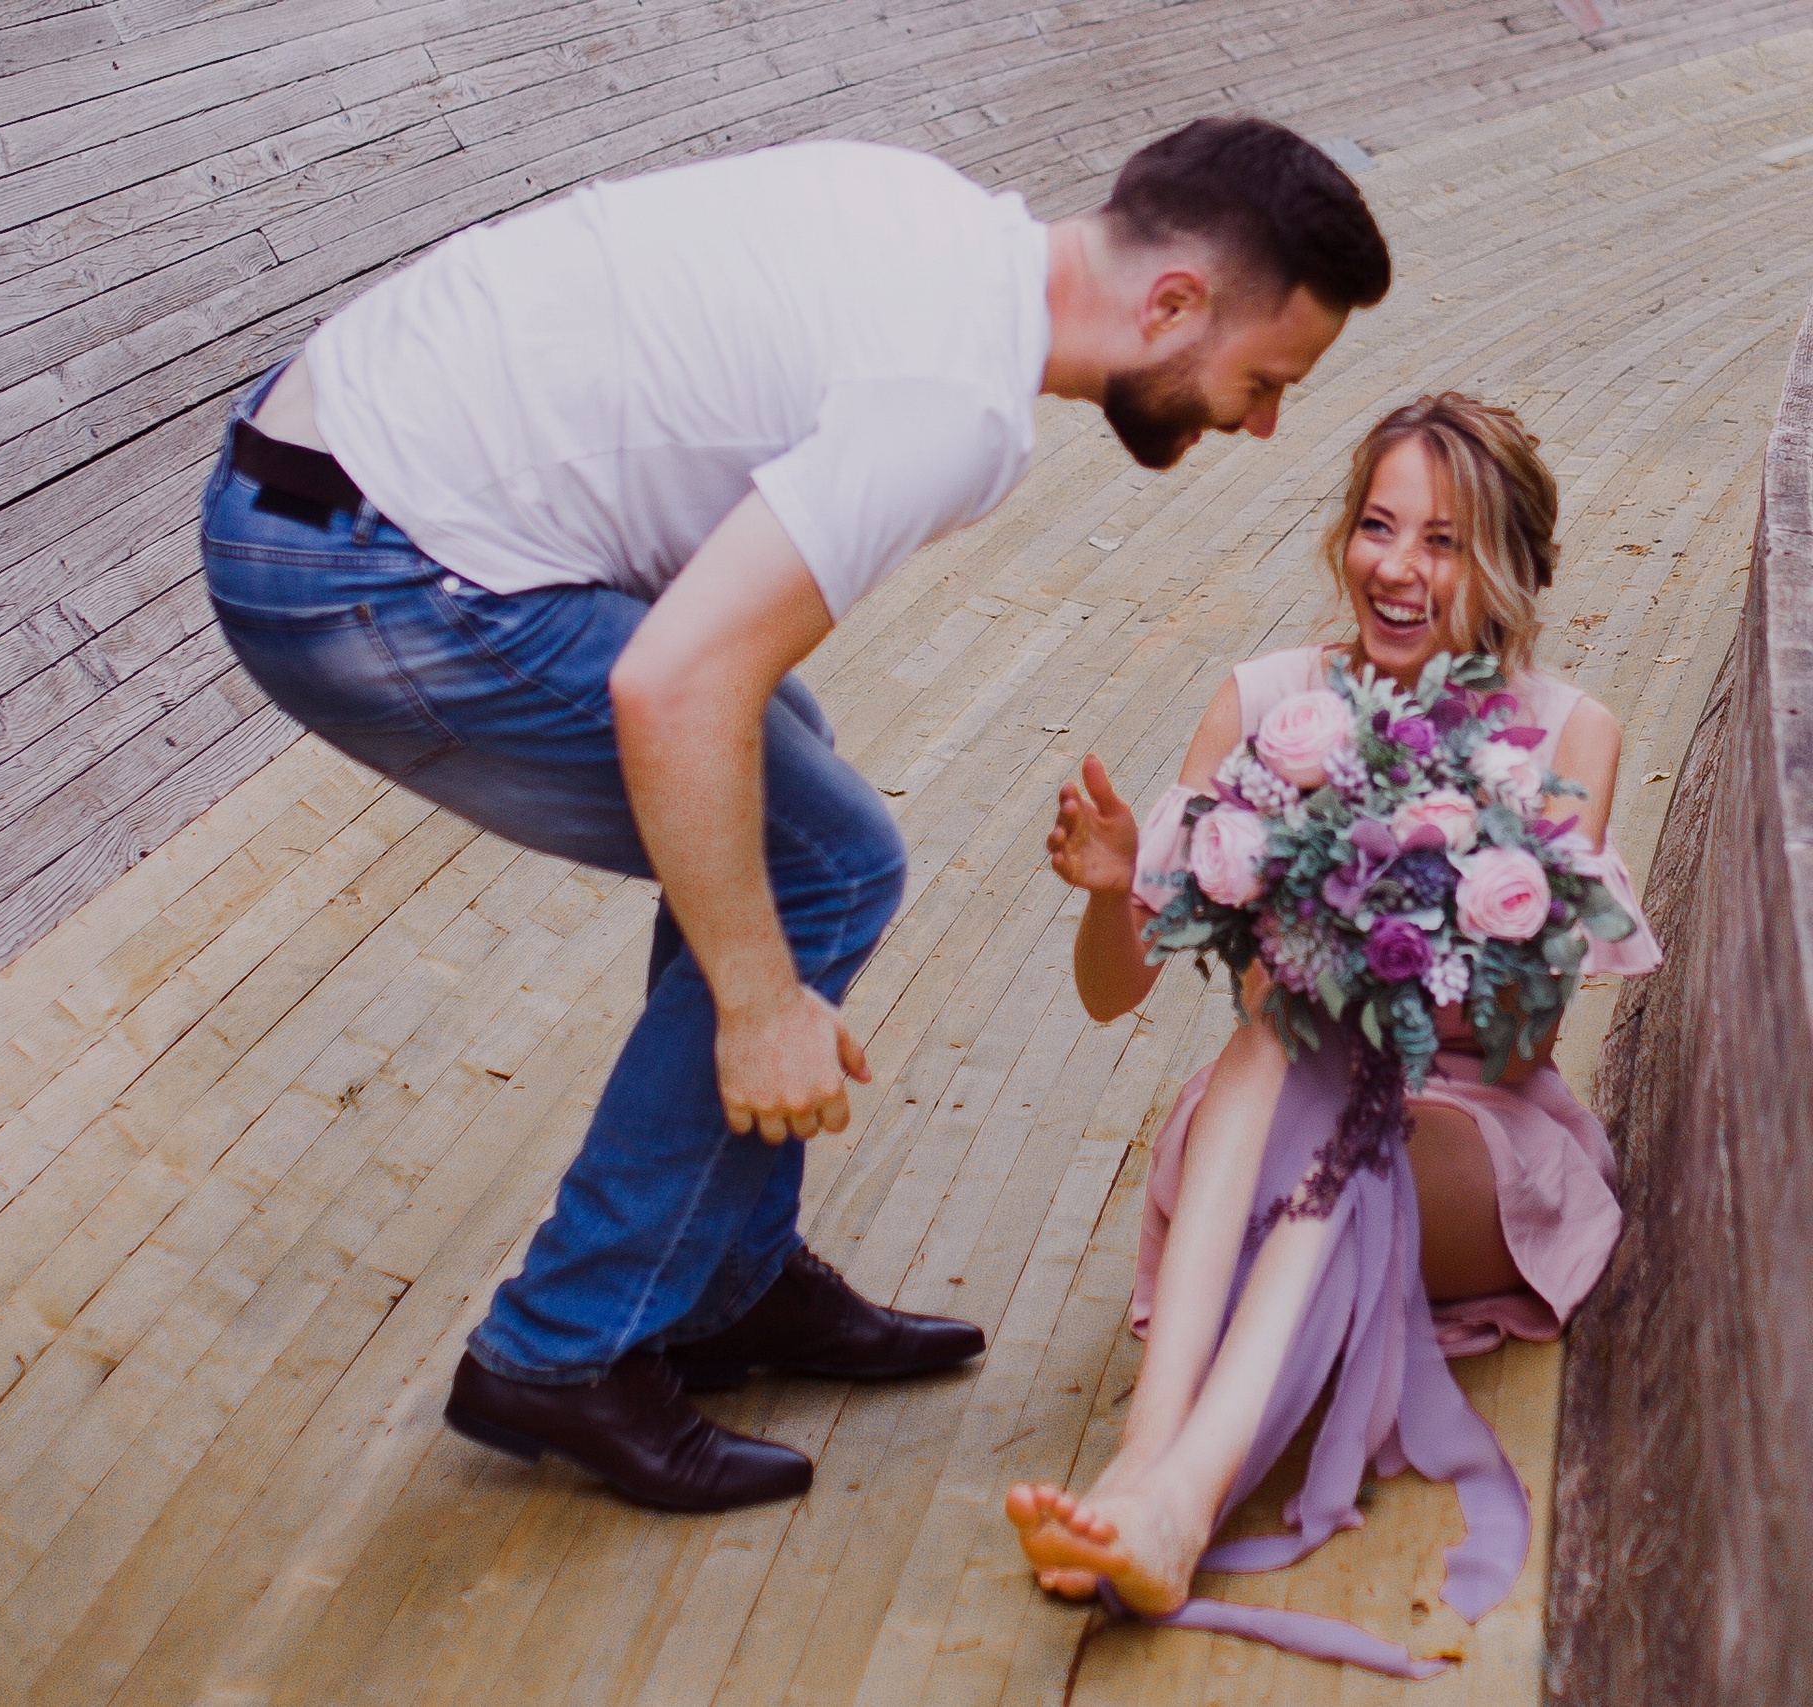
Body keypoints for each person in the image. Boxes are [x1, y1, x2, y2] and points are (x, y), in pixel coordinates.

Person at [201, 119, 1392, 1514]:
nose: (1262, 423)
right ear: (1174, 304)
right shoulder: (953, 397)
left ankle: (719, 1277)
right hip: (360, 560)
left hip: (331, 455)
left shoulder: (940, 215)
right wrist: (761, 1004)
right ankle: (565, 1345)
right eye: (1266, 381)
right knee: (825, 861)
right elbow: (674, 685)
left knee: (788, 779)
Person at [1014, 394, 1662, 1671]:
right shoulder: (1266, 702)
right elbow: (1110, 994)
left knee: (1325, 1052)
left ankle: (1170, 1486)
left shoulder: (1564, 735)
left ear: (1506, 567)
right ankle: (1152, 1477)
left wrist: (1445, 912)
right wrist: (1112, 888)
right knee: (1283, 1028)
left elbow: (1523, 1050)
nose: (1397, 567)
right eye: (1377, 525)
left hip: (1467, 1138)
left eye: (1441, 541)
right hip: (1251, 1135)